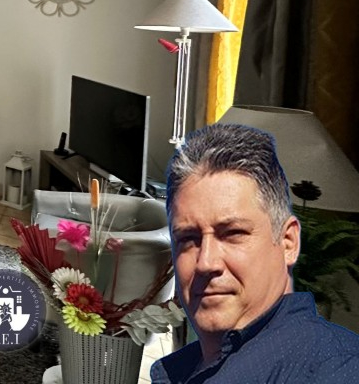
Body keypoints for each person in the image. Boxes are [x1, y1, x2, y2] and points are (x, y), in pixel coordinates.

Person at [152, 124, 359, 383]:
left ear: (288, 242)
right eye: (188, 238)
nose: (206, 262)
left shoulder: (334, 368)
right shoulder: (188, 368)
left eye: (232, 233)